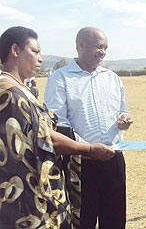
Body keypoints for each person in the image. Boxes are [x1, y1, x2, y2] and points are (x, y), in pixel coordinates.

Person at [0, 26, 115, 228]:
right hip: (22, 197)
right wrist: (89, 149)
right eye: (35, 52)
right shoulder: (8, 92)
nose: (41, 59)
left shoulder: (20, 88)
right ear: (15, 50)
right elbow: (45, 138)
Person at [44, 27, 133, 229]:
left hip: (114, 158)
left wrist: (124, 121)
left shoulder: (112, 78)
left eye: (105, 48)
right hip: (80, 162)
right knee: (82, 220)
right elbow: (58, 124)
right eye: (99, 47)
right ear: (80, 45)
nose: (103, 52)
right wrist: (89, 148)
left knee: (115, 219)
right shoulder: (60, 78)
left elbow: (121, 111)